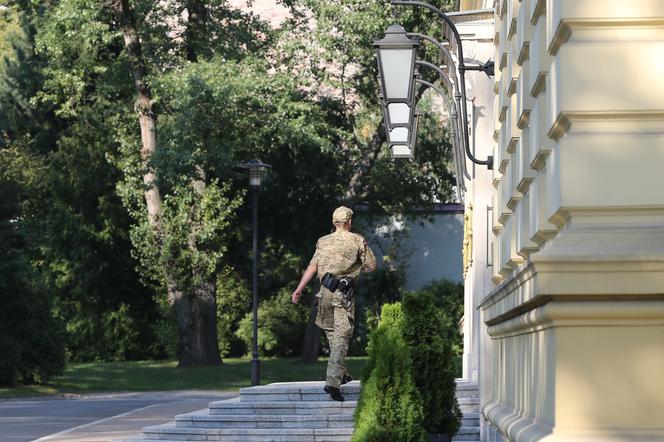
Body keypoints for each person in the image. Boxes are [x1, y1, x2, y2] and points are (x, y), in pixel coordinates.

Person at [291, 206, 376, 401]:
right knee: (341, 337)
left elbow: (313, 266)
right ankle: (332, 382)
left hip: (324, 295)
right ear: (349, 222)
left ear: (334, 222)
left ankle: (342, 373)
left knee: (333, 335)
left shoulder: (322, 242)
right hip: (341, 295)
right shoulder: (357, 240)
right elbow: (371, 266)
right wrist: (353, 272)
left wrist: (299, 289)